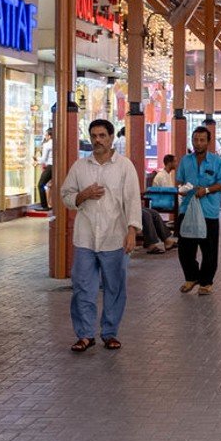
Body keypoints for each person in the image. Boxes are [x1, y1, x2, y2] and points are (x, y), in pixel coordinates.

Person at [60, 119, 143, 352]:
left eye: (102, 136)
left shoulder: (124, 166)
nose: (97, 140)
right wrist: (82, 195)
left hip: (114, 237)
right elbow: (65, 195)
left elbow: (132, 201)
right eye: (93, 135)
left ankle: (109, 332)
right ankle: (85, 334)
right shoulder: (80, 166)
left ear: (111, 138)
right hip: (85, 237)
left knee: (115, 287)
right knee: (82, 286)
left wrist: (132, 231)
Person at [175, 127, 221, 295]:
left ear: (208, 142)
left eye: (202, 140)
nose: (198, 143)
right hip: (187, 209)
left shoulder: (216, 162)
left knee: (209, 249)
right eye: (195, 140)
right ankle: (191, 277)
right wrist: (182, 189)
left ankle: (206, 282)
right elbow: (179, 182)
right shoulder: (185, 161)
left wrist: (205, 190)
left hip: (208, 211)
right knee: (185, 248)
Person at [36, 127, 54, 210]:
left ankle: (44, 206)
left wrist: (37, 160)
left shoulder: (47, 145)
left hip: (50, 166)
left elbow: (44, 159)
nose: (45, 137)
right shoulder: (57, 143)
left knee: (40, 184)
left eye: (46, 135)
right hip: (56, 167)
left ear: (49, 136)